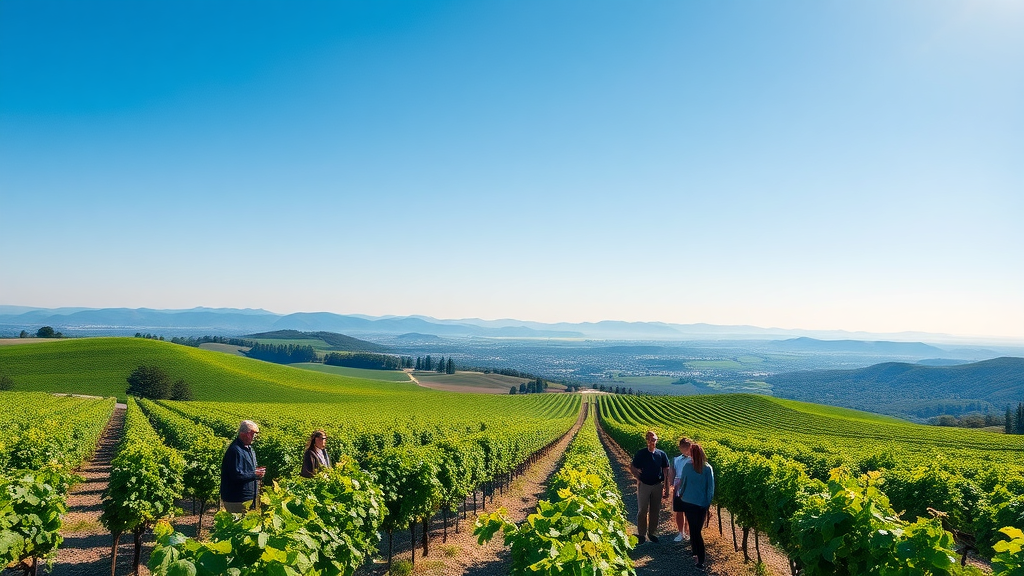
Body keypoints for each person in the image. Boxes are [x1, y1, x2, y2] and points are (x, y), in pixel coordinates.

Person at [675, 442, 715, 567]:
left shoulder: (688, 466)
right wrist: (707, 504)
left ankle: (698, 556)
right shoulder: (708, 468)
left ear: (692, 454)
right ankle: (698, 556)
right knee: (697, 530)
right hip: (702, 504)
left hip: (688, 502)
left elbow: (683, 483)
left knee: (694, 530)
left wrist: (679, 494)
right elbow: (710, 488)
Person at [630, 430, 670, 543]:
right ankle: (641, 534)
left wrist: (667, 488)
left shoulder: (661, 454)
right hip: (644, 485)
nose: (652, 442)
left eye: (654, 440)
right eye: (650, 439)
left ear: (657, 440)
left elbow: (666, 471)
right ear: (647, 440)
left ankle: (652, 533)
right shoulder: (641, 453)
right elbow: (632, 466)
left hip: (658, 485)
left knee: (655, 510)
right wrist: (637, 476)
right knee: (642, 510)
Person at [220, 420, 266, 513]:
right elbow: (236, 475)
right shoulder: (235, 450)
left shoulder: (249, 449)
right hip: (237, 500)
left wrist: (257, 471)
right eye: (252, 434)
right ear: (244, 434)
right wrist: (255, 474)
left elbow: (247, 470)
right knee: (238, 526)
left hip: (248, 499)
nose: (254, 437)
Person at [671, 437, 693, 542]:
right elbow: (673, 473)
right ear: (680, 447)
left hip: (689, 488)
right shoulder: (676, 459)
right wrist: (671, 485)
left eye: (687, 446)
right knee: (679, 511)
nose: (685, 448)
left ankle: (688, 532)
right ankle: (681, 533)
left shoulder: (693, 460)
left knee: (689, 511)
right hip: (678, 488)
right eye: (682, 446)